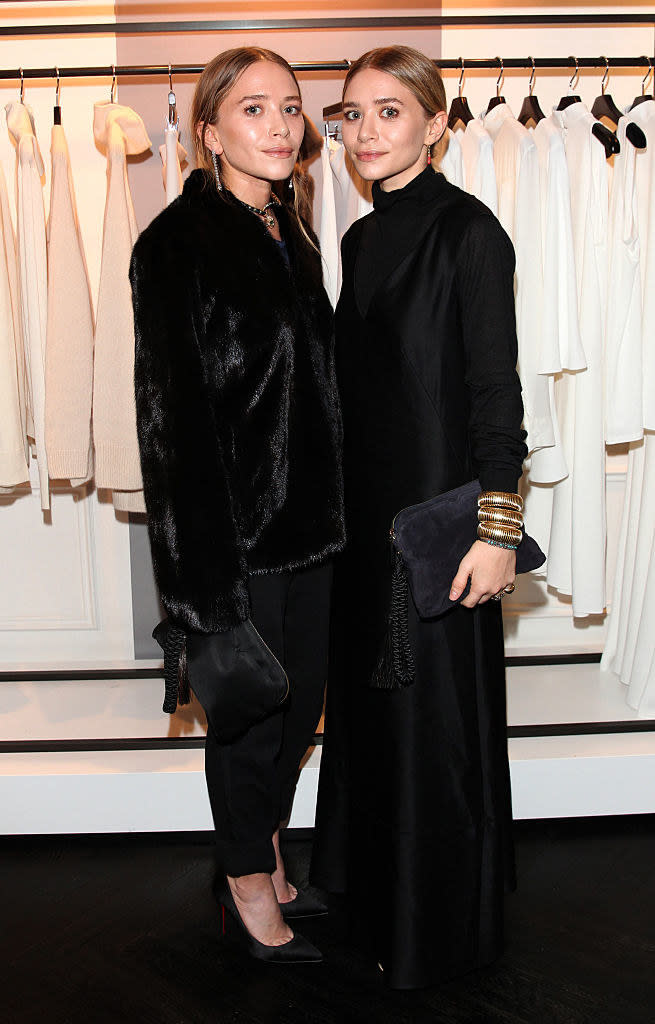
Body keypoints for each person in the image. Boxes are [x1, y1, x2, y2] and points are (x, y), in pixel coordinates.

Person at [311, 45, 528, 989]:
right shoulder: (358, 240)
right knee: (373, 719)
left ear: (435, 124)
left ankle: (436, 930)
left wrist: (496, 529)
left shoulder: (469, 231)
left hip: (440, 529)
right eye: (350, 115)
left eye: (388, 112)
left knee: (432, 726)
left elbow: (494, 392)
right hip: (366, 531)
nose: (365, 132)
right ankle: (372, 912)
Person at [129, 47, 345, 964]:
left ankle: (261, 844)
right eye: (253, 109)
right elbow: (168, 421)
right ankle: (248, 883)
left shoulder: (288, 232)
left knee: (298, 719)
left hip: (315, 532)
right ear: (208, 131)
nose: (280, 126)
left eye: (291, 108)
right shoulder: (176, 244)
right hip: (239, 541)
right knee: (251, 720)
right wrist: (201, 585)